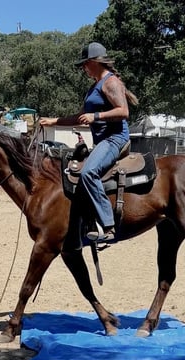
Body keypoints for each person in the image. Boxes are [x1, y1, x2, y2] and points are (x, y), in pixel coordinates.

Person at [40, 42, 138, 243]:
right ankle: (88, 223)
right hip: (102, 141)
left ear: (94, 62)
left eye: (84, 64)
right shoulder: (95, 86)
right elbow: (82, 116)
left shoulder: (111, 83)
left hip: (115, 139)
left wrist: (96, 116)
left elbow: (123, 111)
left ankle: (108, 224)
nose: (83, 69)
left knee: (88, 173)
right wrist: (55, 121)